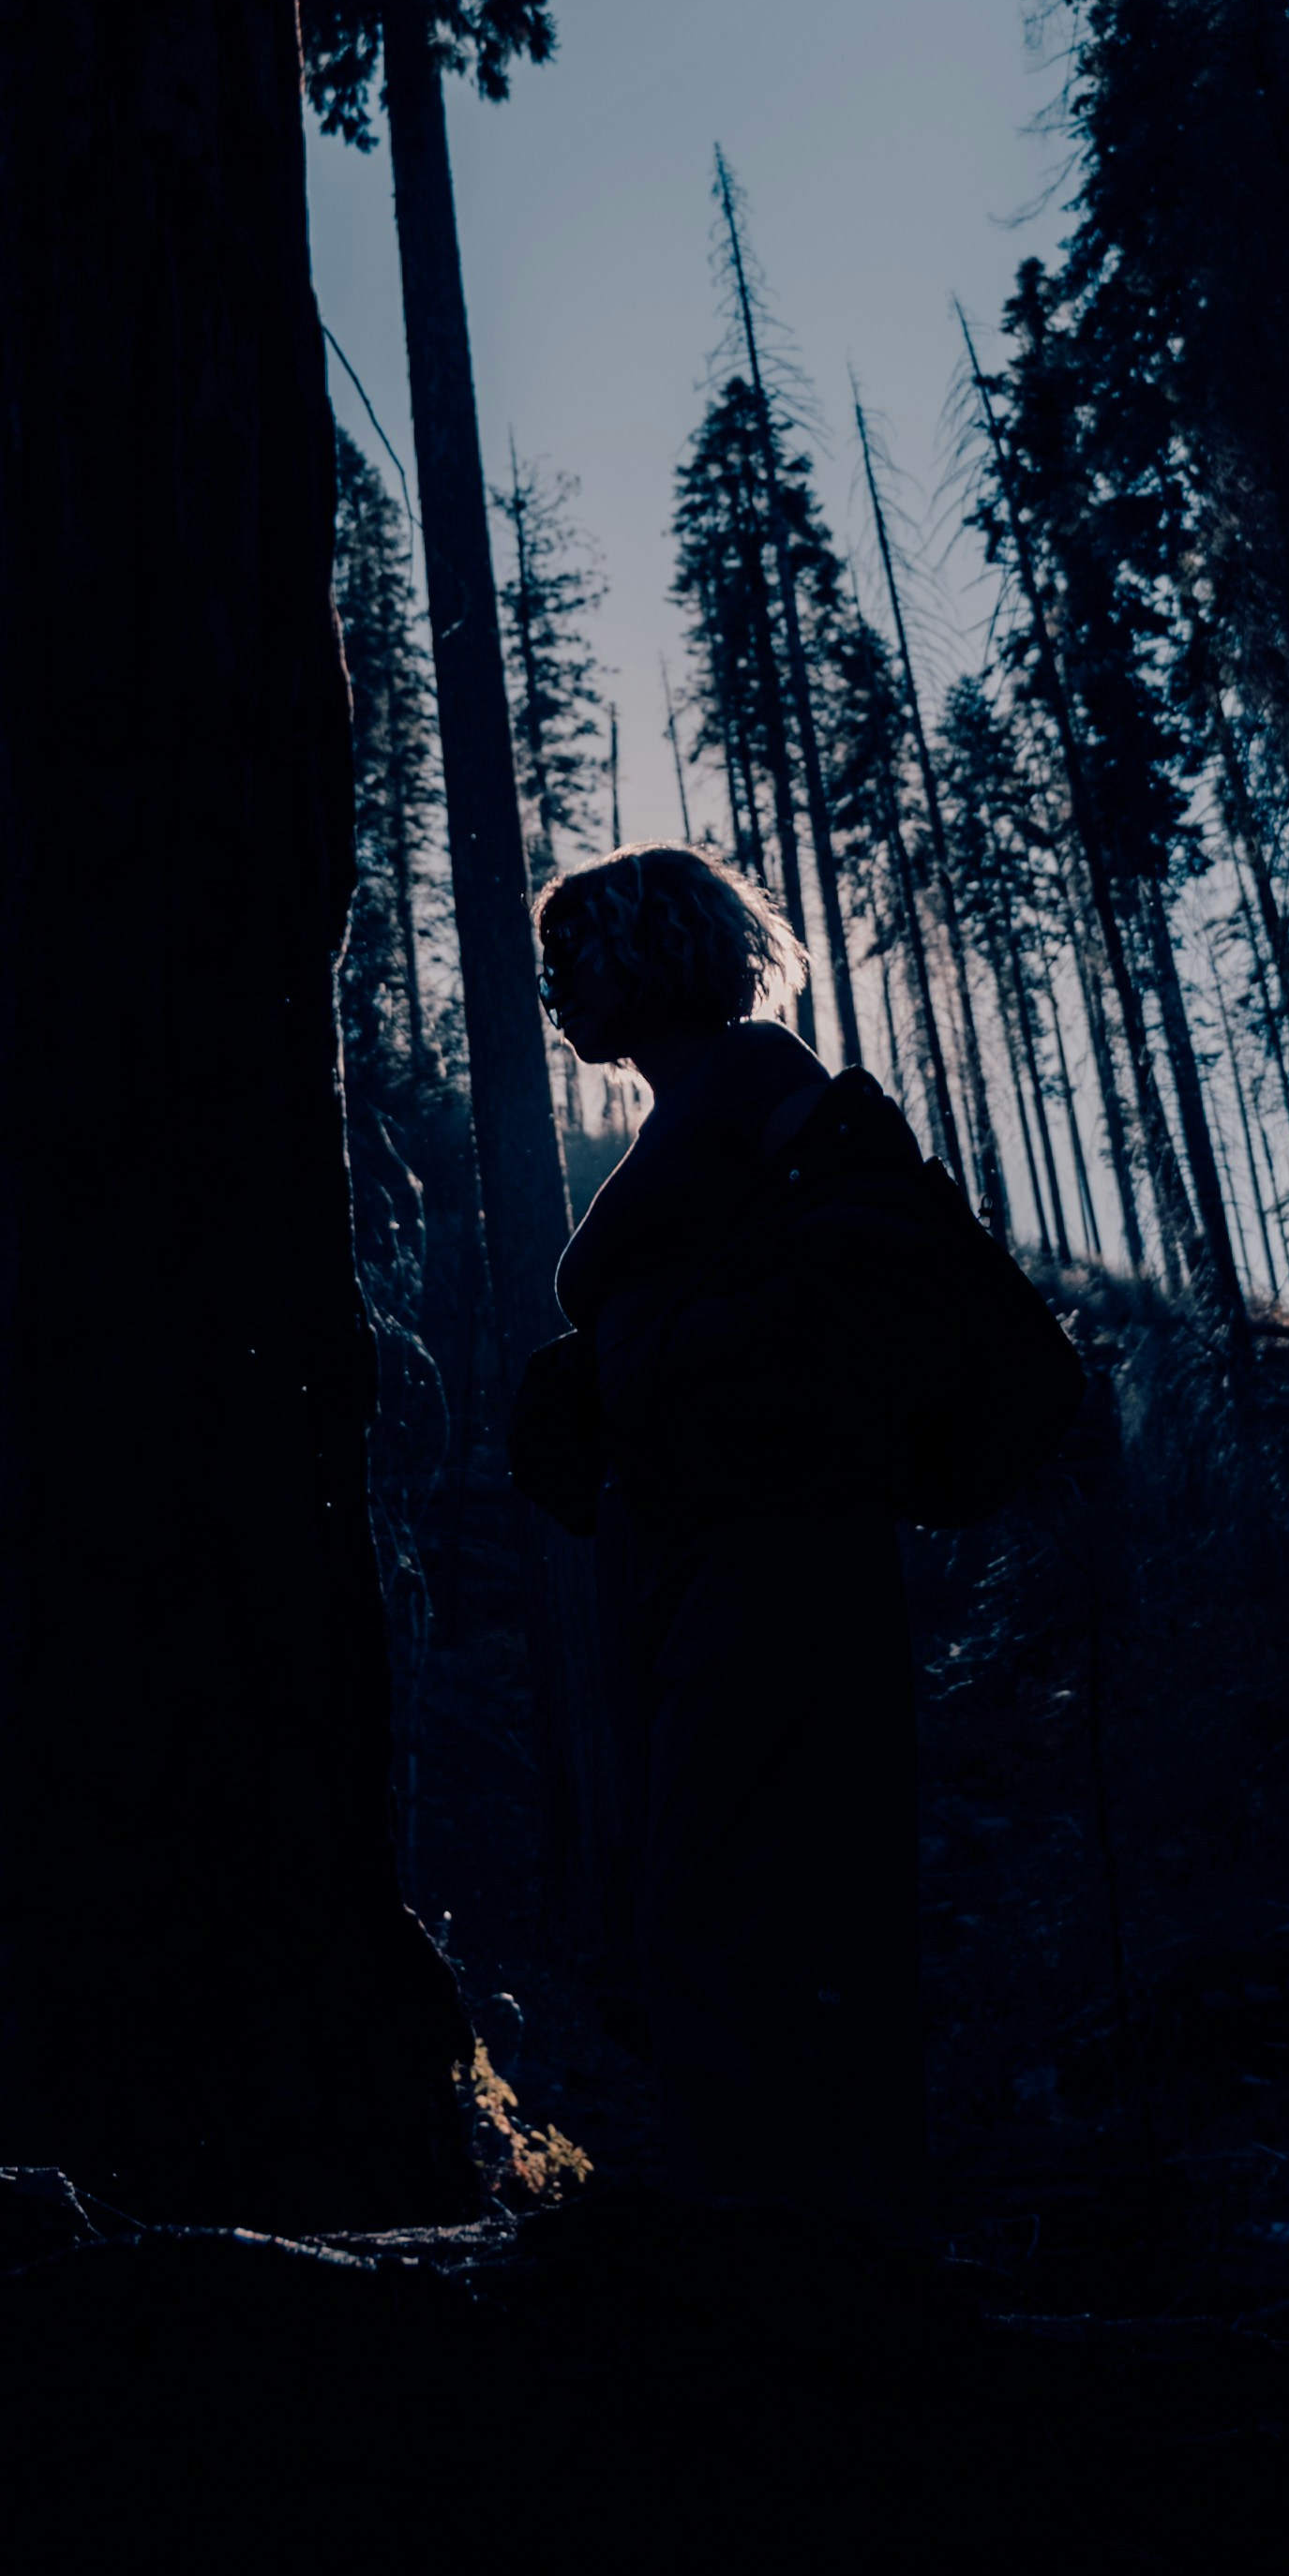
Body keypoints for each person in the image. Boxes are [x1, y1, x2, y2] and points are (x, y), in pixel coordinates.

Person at [517, 843, 929, 2229]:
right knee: (707, 1903)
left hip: (779, 1559)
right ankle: (780, 2227)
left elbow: (878, 1267)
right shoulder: (691, 1109)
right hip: (697, 1563)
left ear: (647, 950)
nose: (554, 982)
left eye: (574, 950)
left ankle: (778, 2252)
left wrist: (662, 1365)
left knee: (726, 1905)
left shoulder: (762, 1083)